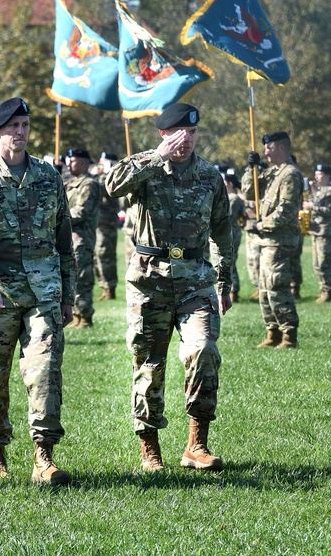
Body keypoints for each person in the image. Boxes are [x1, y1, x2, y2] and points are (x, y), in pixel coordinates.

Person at [0, 98, 74, 485]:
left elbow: (64, 241)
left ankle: (44, 457)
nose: (19, 132)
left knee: (45, 372)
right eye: (12, 126)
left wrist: (69, 296)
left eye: (24, 124)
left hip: (43, 293)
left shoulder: (47, 176)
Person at [106, 102, 232, 473]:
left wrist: (224, 280)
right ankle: (150, 449)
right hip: (150, 280)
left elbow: (223, 230)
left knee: (204, 350)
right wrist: (153, 157)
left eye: (193, 133)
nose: (187, 140)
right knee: (149, 364)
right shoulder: (145, 168)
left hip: (196, 279)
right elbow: (112, 185)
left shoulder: (209, 176)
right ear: (164, 134)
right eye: (179, 133)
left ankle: (197, 444)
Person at [244, 132, 303, 348]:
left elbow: (286, 210)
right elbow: (250, 192)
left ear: (281, 148)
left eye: (269, 148)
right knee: (265, 288)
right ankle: (273, 333)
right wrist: (251, 169)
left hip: (280, 239)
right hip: (267, 240)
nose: (265, 151)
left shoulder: (290, 174)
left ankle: (289, 336)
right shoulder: (273, 173)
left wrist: (260, 225)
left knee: (276, 286)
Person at [64, 148, 101, 328]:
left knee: (82, 277)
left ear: (84, 163)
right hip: (69, 238)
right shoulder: (71, 183)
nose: (69, 164)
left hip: (82, 238)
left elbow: (81, 212)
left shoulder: (89, 185)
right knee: (71, 277)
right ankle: (77, 314)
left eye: (74, 161)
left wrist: (59, 217)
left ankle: (86, 315)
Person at [304, 163, 331, 302]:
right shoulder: (321, 190)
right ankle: (325, 289)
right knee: (317, 262)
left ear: (328, 176)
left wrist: (312, 206)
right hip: (318, 231)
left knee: (324, 262)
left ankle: (328, 291)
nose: (316, 177)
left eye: (320, 174)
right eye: (315, 174)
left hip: (327, 231)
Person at [94, 152, 121, 301]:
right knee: (97, 256)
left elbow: (101, 187)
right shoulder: (100, 177)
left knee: (106, 255)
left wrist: (98, 174)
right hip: (97, 223)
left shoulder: (112, 178)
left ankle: (110, 288)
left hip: (107, 223)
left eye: (103, 162)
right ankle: (103, 286)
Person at [223, 170, 246, 302]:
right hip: (232, 232)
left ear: (230, 184)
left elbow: (227, 215)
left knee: (230, 262)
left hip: (231, 232)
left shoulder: (233, 198)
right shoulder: (234, 197)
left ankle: (233, 290)